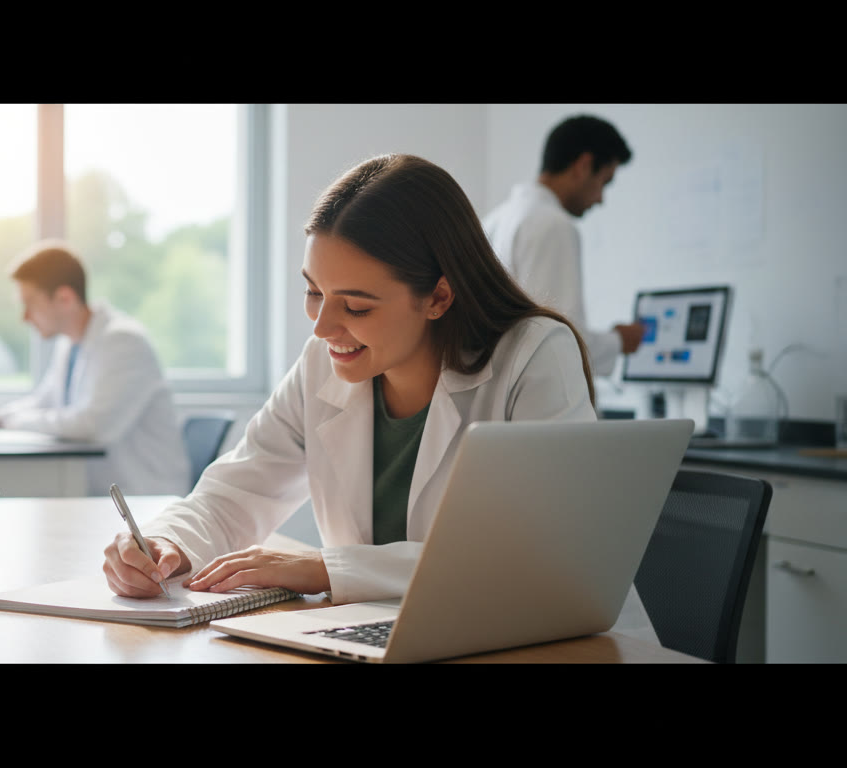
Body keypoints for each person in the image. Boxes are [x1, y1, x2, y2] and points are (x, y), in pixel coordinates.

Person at [100, 153, 657, 641]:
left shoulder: (533, 356)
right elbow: (235, 490)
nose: (322, 327)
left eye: (356, 306)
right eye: (313, 293)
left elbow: (541, 560)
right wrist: (166, 543)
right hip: (384, 636)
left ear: (438, 296)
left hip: (548, 647)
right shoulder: (326, 360)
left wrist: (328, 569)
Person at [0, 241, 190, 496]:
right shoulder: (69, 344)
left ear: (65, 298)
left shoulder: (124, 341)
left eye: (29, 304)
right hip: (99, 495)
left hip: (143, 499)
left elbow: (94, 426)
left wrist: (11, 422)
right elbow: (44, 401)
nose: (24, 317)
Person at [482, 114, 645, 378]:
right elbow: (563, 345)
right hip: (536, 403)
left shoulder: (495, 220)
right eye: (604, 182)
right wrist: (619, 341)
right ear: (583, 165)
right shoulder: (552, 224)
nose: (601, 199)